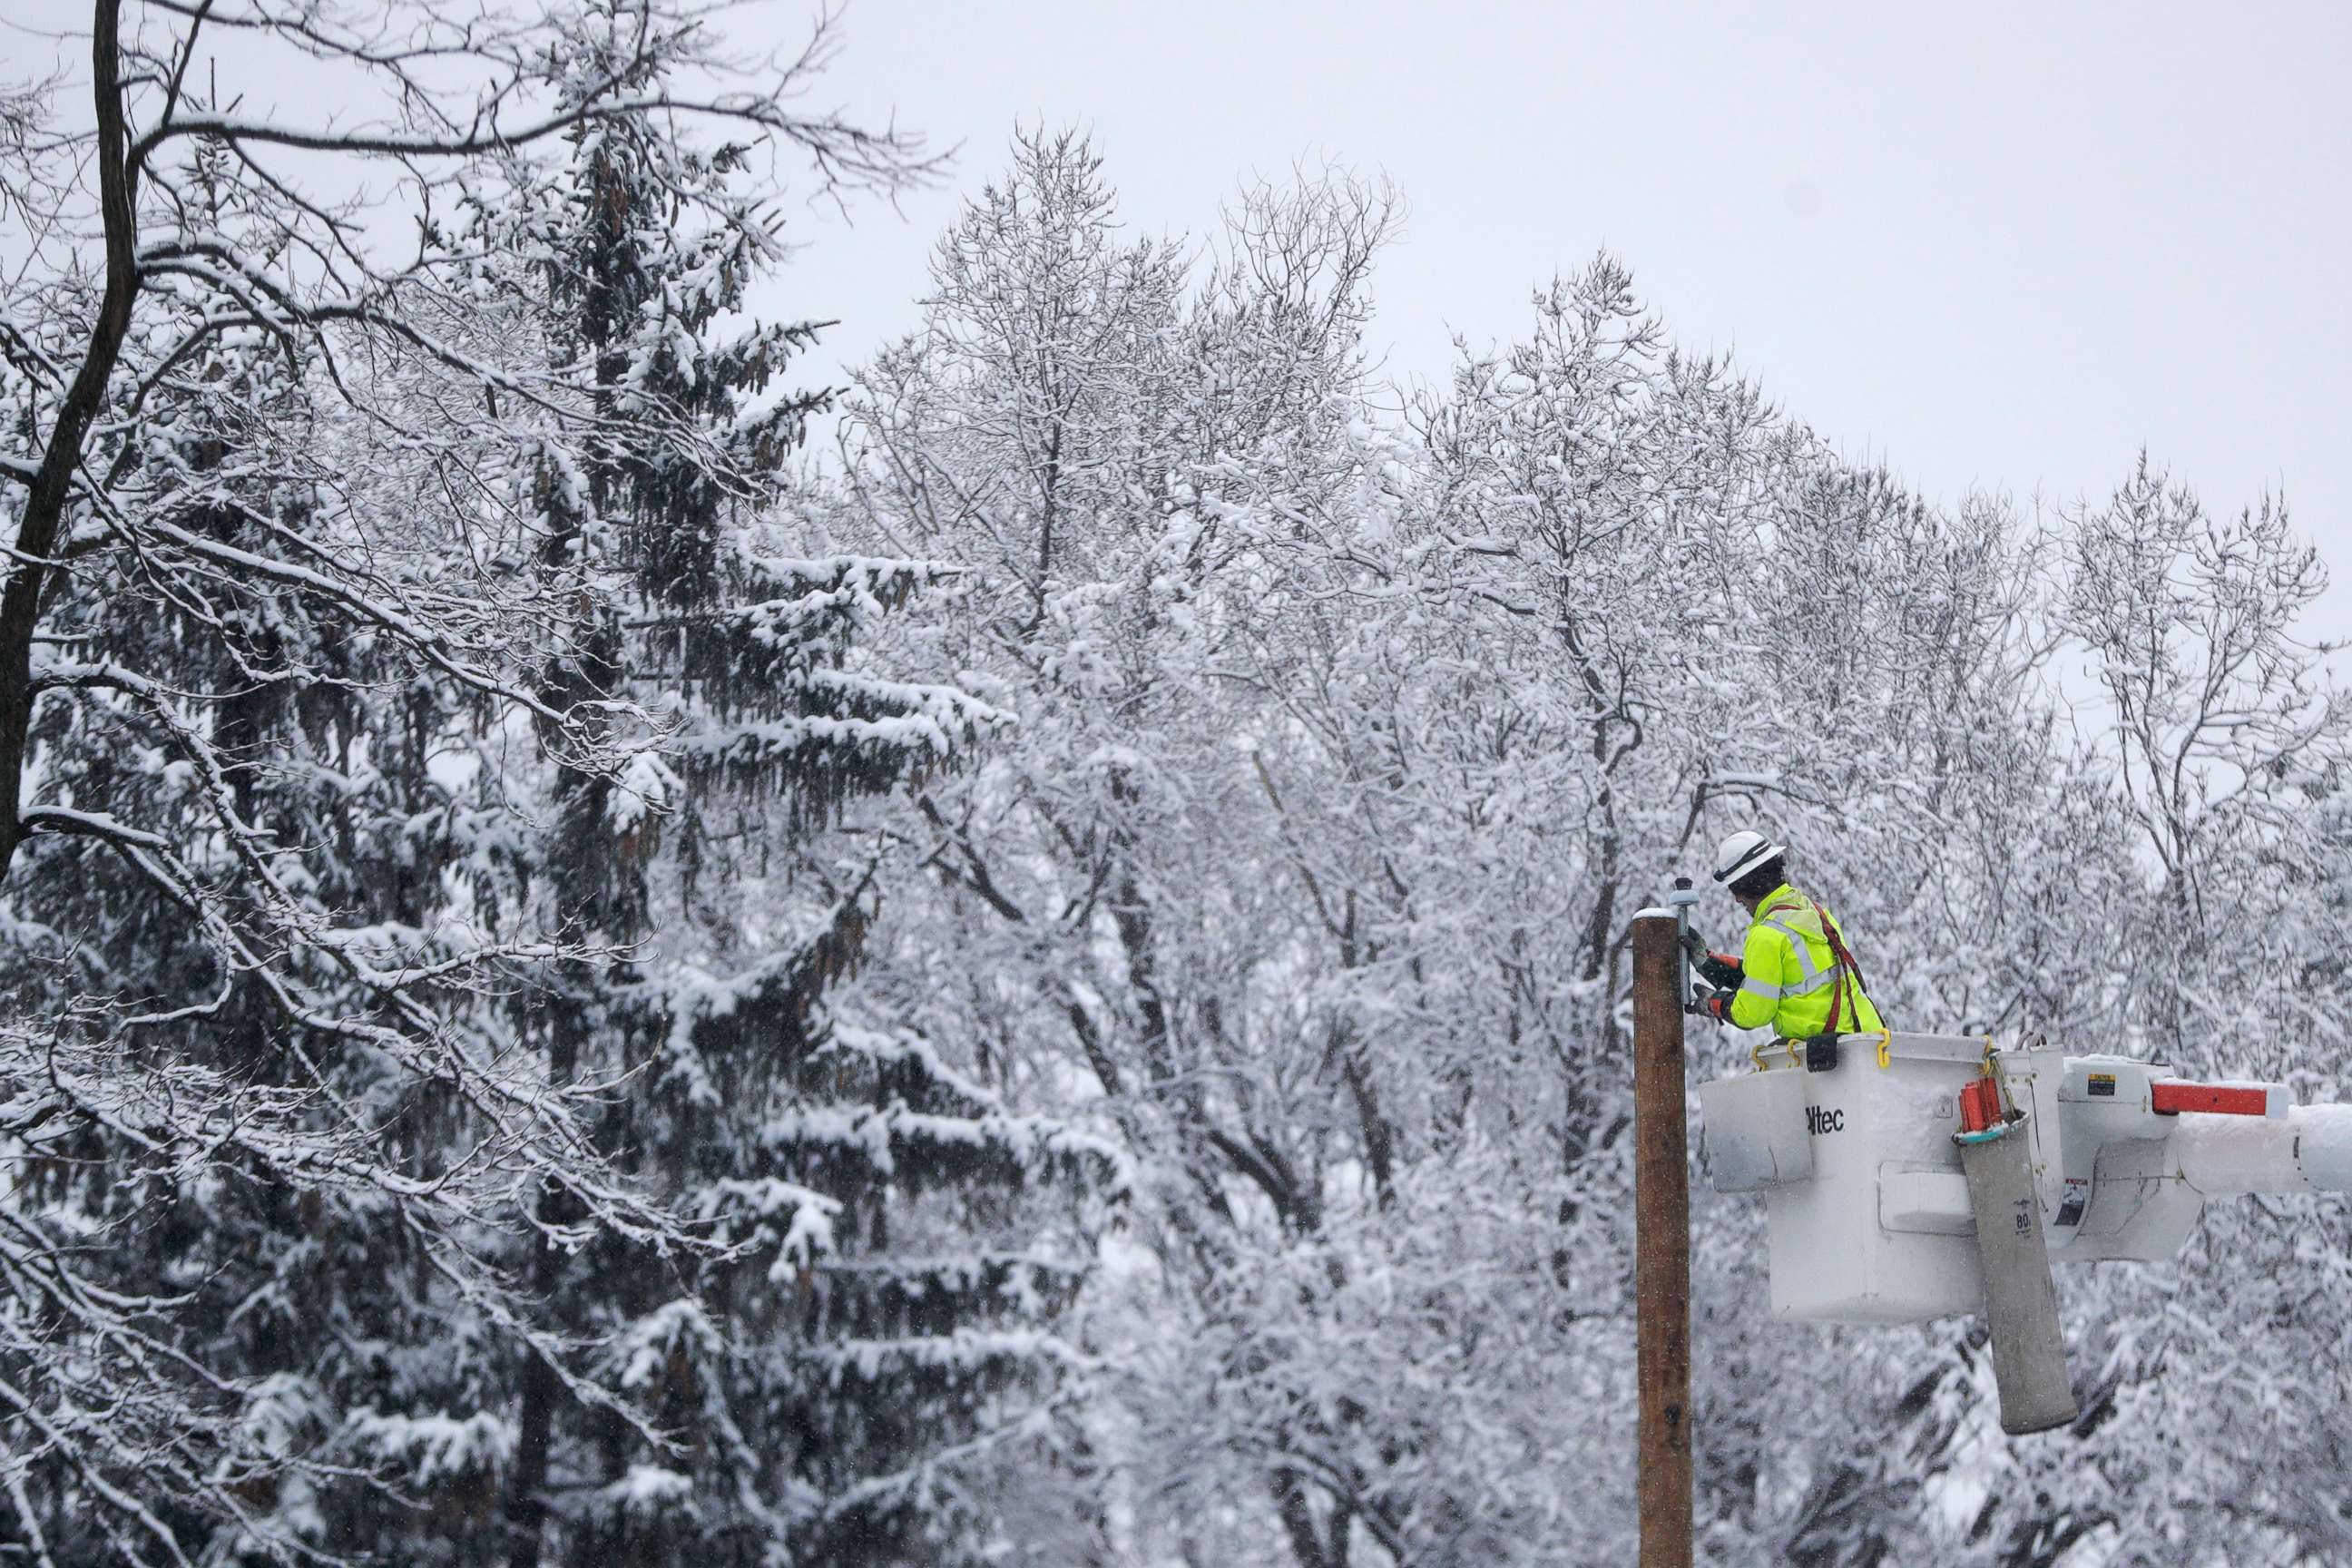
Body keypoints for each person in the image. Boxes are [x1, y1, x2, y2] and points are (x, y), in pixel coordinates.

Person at [1687, 828, 1885, 1038]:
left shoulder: (1766, 935)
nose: (1737, 900)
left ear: (1746, 886)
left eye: (1735, 890)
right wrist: (1708, 964)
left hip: (1834, 1052)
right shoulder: (1813, 911)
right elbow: (1776, 980)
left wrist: (1714, 1003)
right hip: (1865, 1037)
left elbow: (1753, 1013)